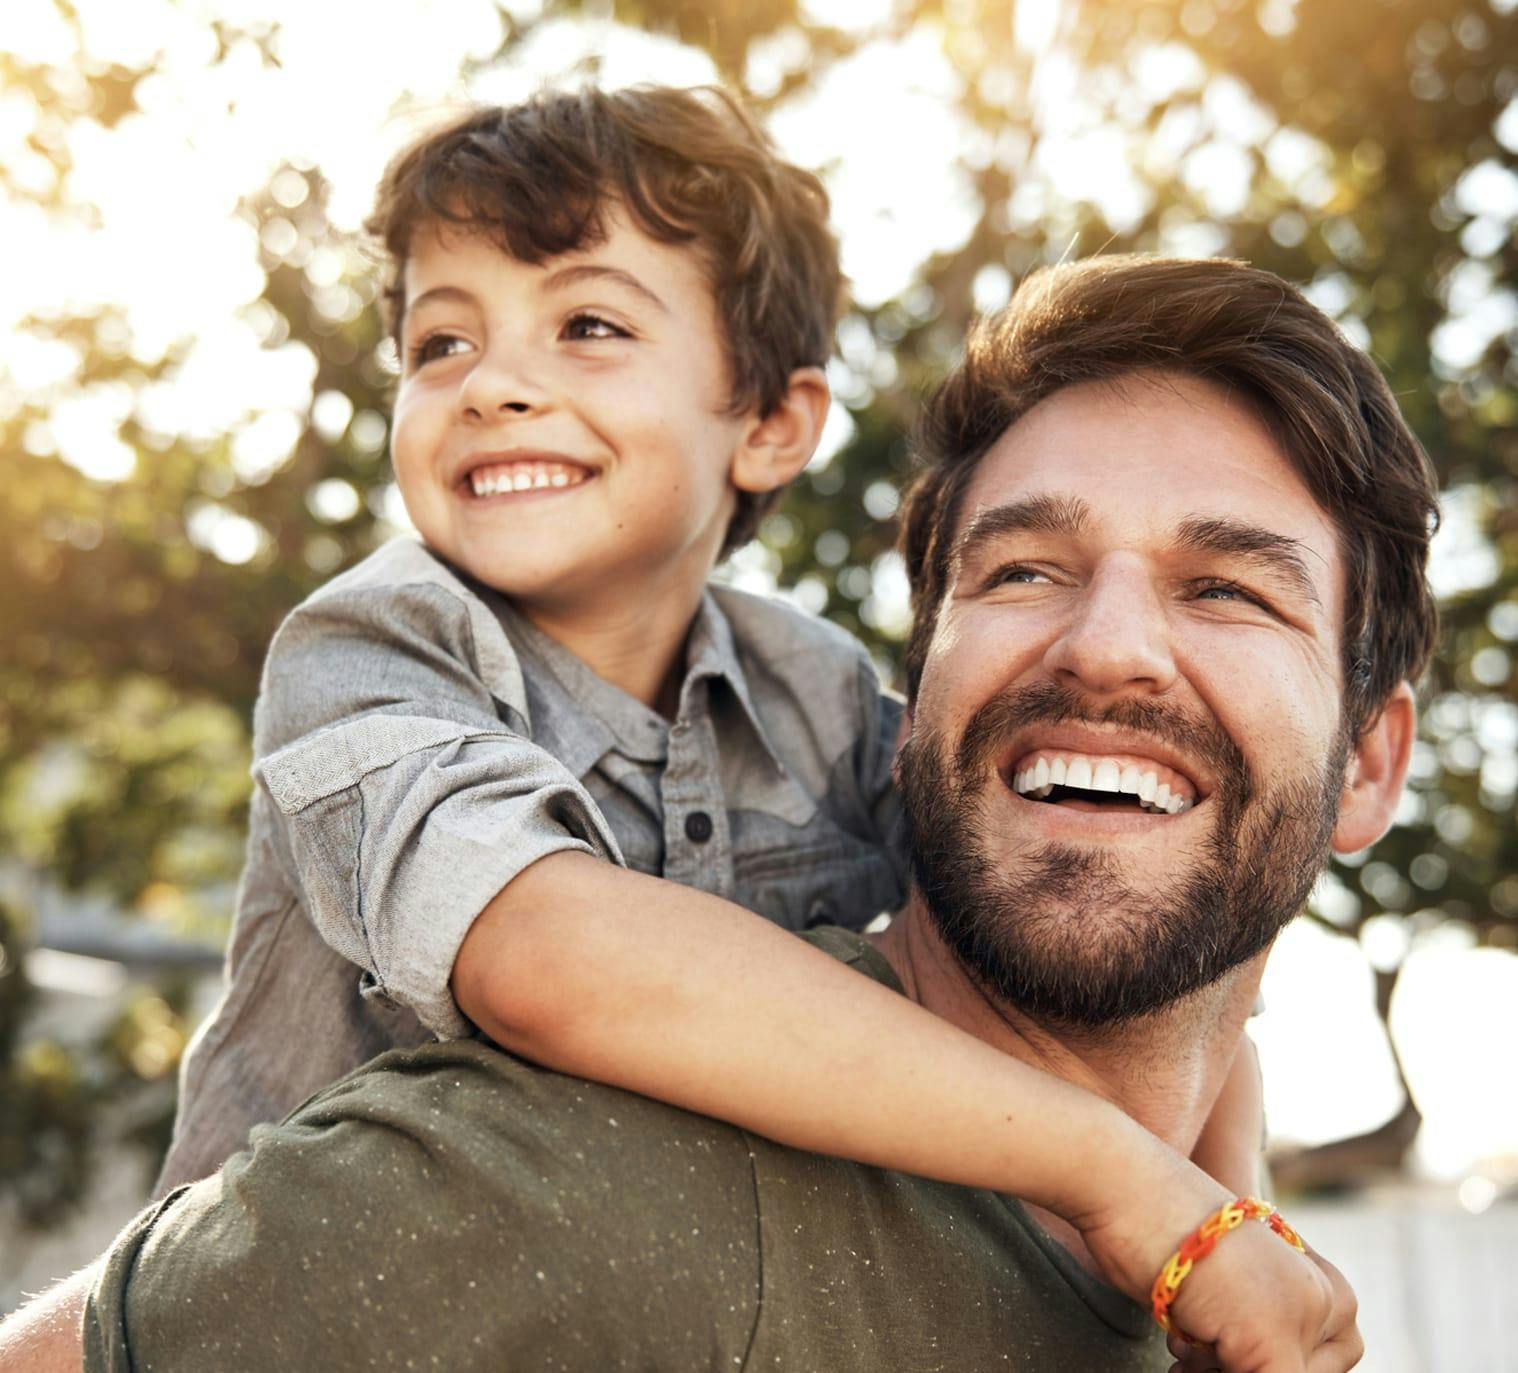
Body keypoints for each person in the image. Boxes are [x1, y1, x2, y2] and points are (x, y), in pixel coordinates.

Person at [0, 250, 1436, 1371]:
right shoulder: (595, 1183)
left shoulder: (1204, 1274)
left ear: (1369, 766)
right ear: (910, 718)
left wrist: (1214, 1214)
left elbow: (1202, 1024)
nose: (1104, 645)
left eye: (1227, 588)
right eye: (1019, 572)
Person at [135, 81, 1294, 1337]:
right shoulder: (374, 646)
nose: (491, 385)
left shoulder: (821, 692)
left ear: (771, 422)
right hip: (330, 1315)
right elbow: (542, 956)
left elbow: (1101, 935)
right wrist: (1118, 1170)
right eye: (439, 343)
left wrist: (1230, 1212)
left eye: (585, 323)